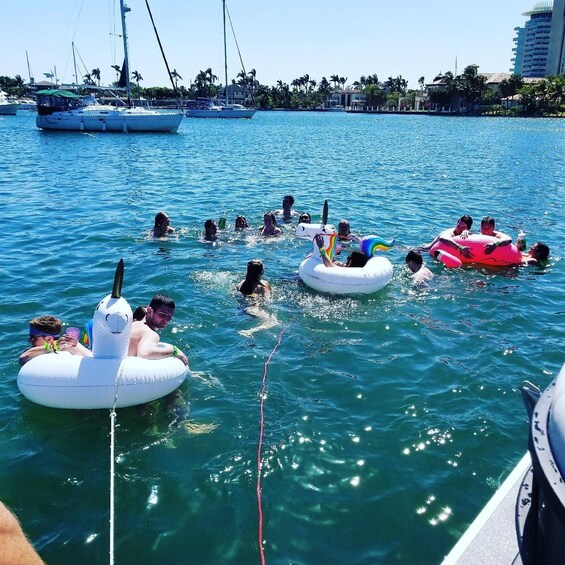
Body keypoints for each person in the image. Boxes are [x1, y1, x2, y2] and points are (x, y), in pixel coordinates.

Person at [128, 295, 188, 365]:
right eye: (162, 314)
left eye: (169, 316)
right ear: (150, 311)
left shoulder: (133, 325)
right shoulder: (150, 333)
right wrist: (174, 350)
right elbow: (144, 354)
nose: (166, 320)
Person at [19, 315, 93, 366]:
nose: (29, 340)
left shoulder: (69, 346)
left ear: (49, 339)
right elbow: (22, 359)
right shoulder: (31, 351)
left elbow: (93, 359)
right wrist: (54, 346)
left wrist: (55, 346)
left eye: (33, 338)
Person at [236, 261, 276, 336]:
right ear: (261, 271)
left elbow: (236, 295)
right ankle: (250, 331)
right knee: (273, 321)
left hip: (240, 310)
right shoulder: (264, 285)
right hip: (253, 309)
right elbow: (267, 301)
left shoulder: (241, 283)